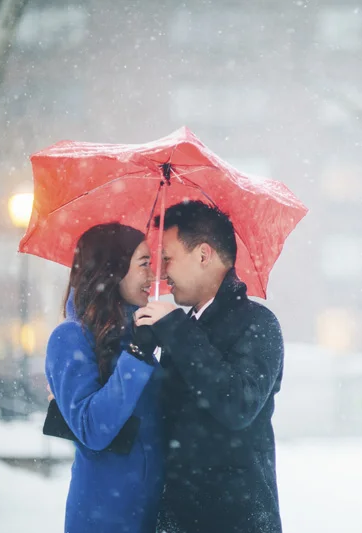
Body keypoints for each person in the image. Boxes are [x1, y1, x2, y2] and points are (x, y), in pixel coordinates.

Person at [135, 201, 285, 533]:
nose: (161, 273)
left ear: (204, 255)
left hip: (235, 519)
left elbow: (237, 405)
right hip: (177, 518)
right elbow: (161, 421)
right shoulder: (182, 328)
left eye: (168, 259)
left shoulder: (258, 323)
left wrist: (176, 330)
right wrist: (135, 354)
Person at [45, 223, 164, 533]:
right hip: (104, 518)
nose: (153, 275)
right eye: (143, 264)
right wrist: (138, 356)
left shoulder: (139, 336)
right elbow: (93, 429)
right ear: (113, 269)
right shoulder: (70, 338)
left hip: (151, 516)